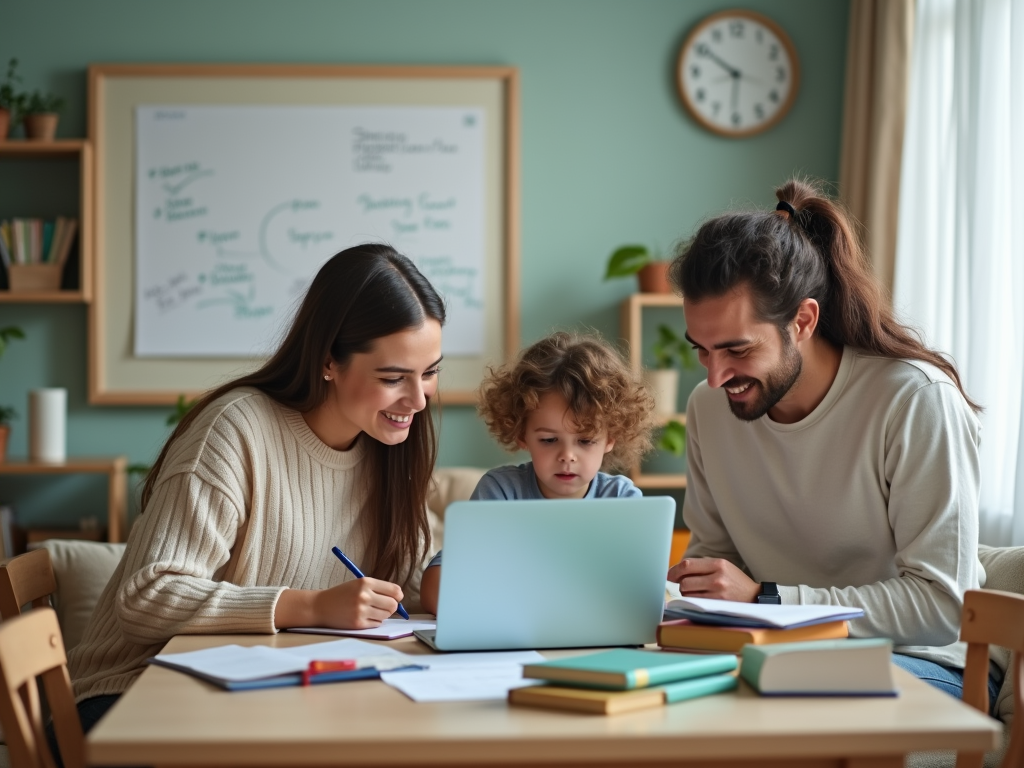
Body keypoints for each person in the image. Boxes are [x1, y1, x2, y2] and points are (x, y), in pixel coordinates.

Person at [64, 243, 445, 738]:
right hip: (132, 694)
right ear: (330, 360)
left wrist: (449, 582)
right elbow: (146, 596)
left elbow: (409, 582)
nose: (417, 400)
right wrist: (310, 607)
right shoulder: (236, 430)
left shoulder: (387, 451)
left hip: (264, 695)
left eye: (430, 372)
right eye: (394, 377)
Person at [665, 178, 1002, 707]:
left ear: (802, 320)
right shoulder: (710, 409)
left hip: (917, 659)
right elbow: (716, 563)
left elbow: (943, 606)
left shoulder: (914, 401)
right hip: (772, 653)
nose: (714, 376)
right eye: (702, 351)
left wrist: (769, 600)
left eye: (735, 349)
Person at [420, 331, 656, 614]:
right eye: (548, 440)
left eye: (585, 440)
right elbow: (436, 590)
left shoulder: (623, 500)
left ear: (611, 438)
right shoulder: (501, 492)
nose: (567, 455)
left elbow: (643, 591)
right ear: (522, 434)